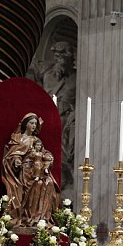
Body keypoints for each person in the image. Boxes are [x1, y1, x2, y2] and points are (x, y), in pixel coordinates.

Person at [28, 41, 76, 192]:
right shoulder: (46, 72)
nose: (60, 59)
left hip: (63, 119)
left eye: (63, 55)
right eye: (57, 55)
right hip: (45, 119)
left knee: (61, 154)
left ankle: (61, 181)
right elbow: (30, 73)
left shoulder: (76, 78)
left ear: (71, 58)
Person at [2, 113, 61, 227]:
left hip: (37, 169)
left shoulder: (36, 140)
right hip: (25, 171)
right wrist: (16, 160)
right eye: (31, 123)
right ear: (25, 124)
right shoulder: (18, 139)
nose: (34, 126)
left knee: (48, 183)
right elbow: (12, 154)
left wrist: (49, 159)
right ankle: (28, 216)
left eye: (35, 123)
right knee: (36, 186)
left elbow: (44, 153)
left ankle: (40, 217)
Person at [22, 138, 61, 227]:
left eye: (40, 145)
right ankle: (32, 214)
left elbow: (47, 157)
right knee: (38, 184)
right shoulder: (31, 152)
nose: (38, 147)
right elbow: (27, 160)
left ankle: (43, 215)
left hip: (41, 169)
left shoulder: (42, 153)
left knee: (49, 183)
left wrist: (48, 161)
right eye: (37, 145)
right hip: (32, 170)